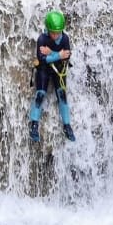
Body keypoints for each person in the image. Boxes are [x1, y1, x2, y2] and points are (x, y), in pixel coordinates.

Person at [29, 10, 76, 142]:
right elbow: (41, 58)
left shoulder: (65, 38)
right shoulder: (42, 39)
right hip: (44, 69)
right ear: (48, 29)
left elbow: (67, 56)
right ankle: (34, 124)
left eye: (58, 32)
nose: (55, 35)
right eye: (53, 32)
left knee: (62, 96)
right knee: (40, 95)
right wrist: (58, 55)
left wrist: (52, 53)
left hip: (59, 70)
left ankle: (67, 125)